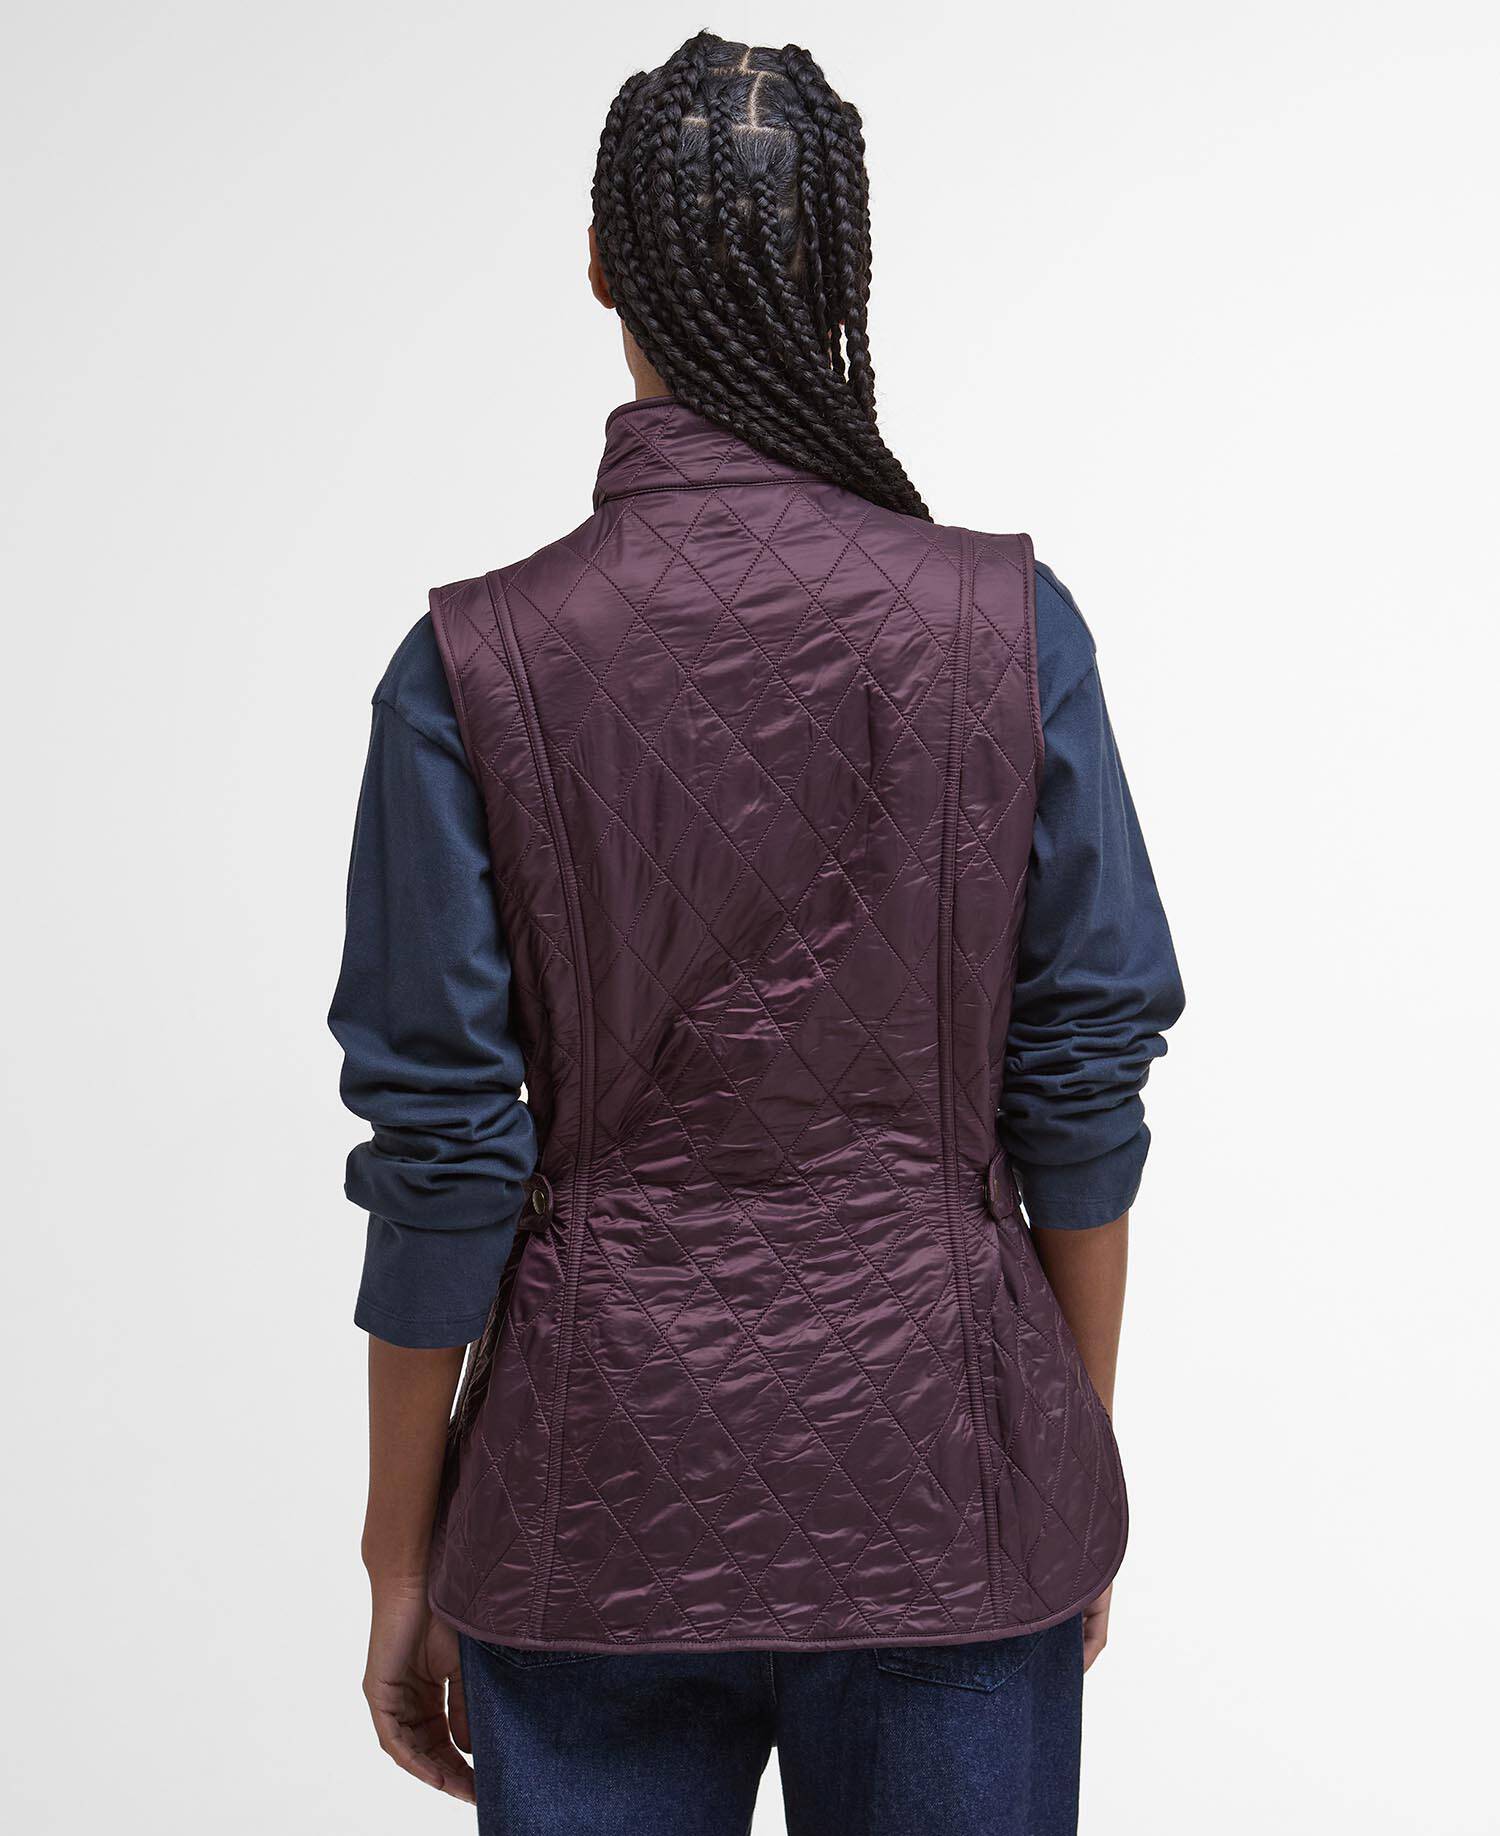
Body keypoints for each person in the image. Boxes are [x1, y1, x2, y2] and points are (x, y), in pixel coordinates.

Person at [329, 32, 1184, 1836]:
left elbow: (445, 1149)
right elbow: (1083, 1072)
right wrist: (1064, 1469)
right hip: (953, 1489)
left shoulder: (468, 668)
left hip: (590, 1510)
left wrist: (399, 1552)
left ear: (598, 265)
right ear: (843, 267)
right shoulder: (1010, 630)